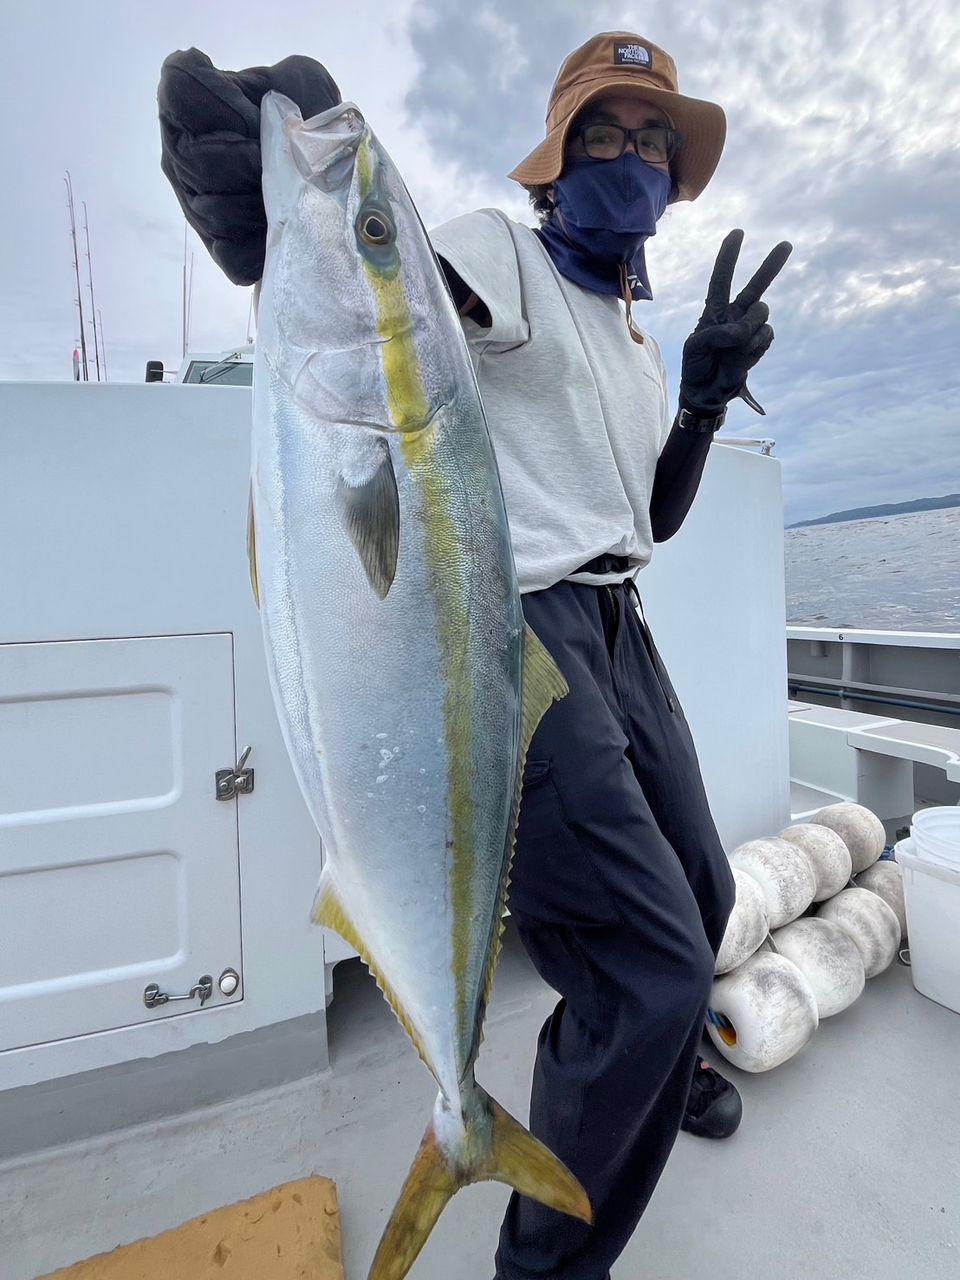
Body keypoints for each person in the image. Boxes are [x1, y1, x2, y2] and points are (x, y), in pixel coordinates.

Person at [159, 31, 791, 1280]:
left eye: (654, 140)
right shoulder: (505, 250)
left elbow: (650, 516)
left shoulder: (625, 323)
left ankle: (646, 1074)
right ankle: (545, 1261)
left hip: (622, 626)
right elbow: (397, 313)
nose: (633, 158)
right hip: (525, 632)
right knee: (648, 969)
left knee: (703, 902)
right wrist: (284, 231)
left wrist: (704, 401)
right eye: (604, 136)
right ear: (556, 162)